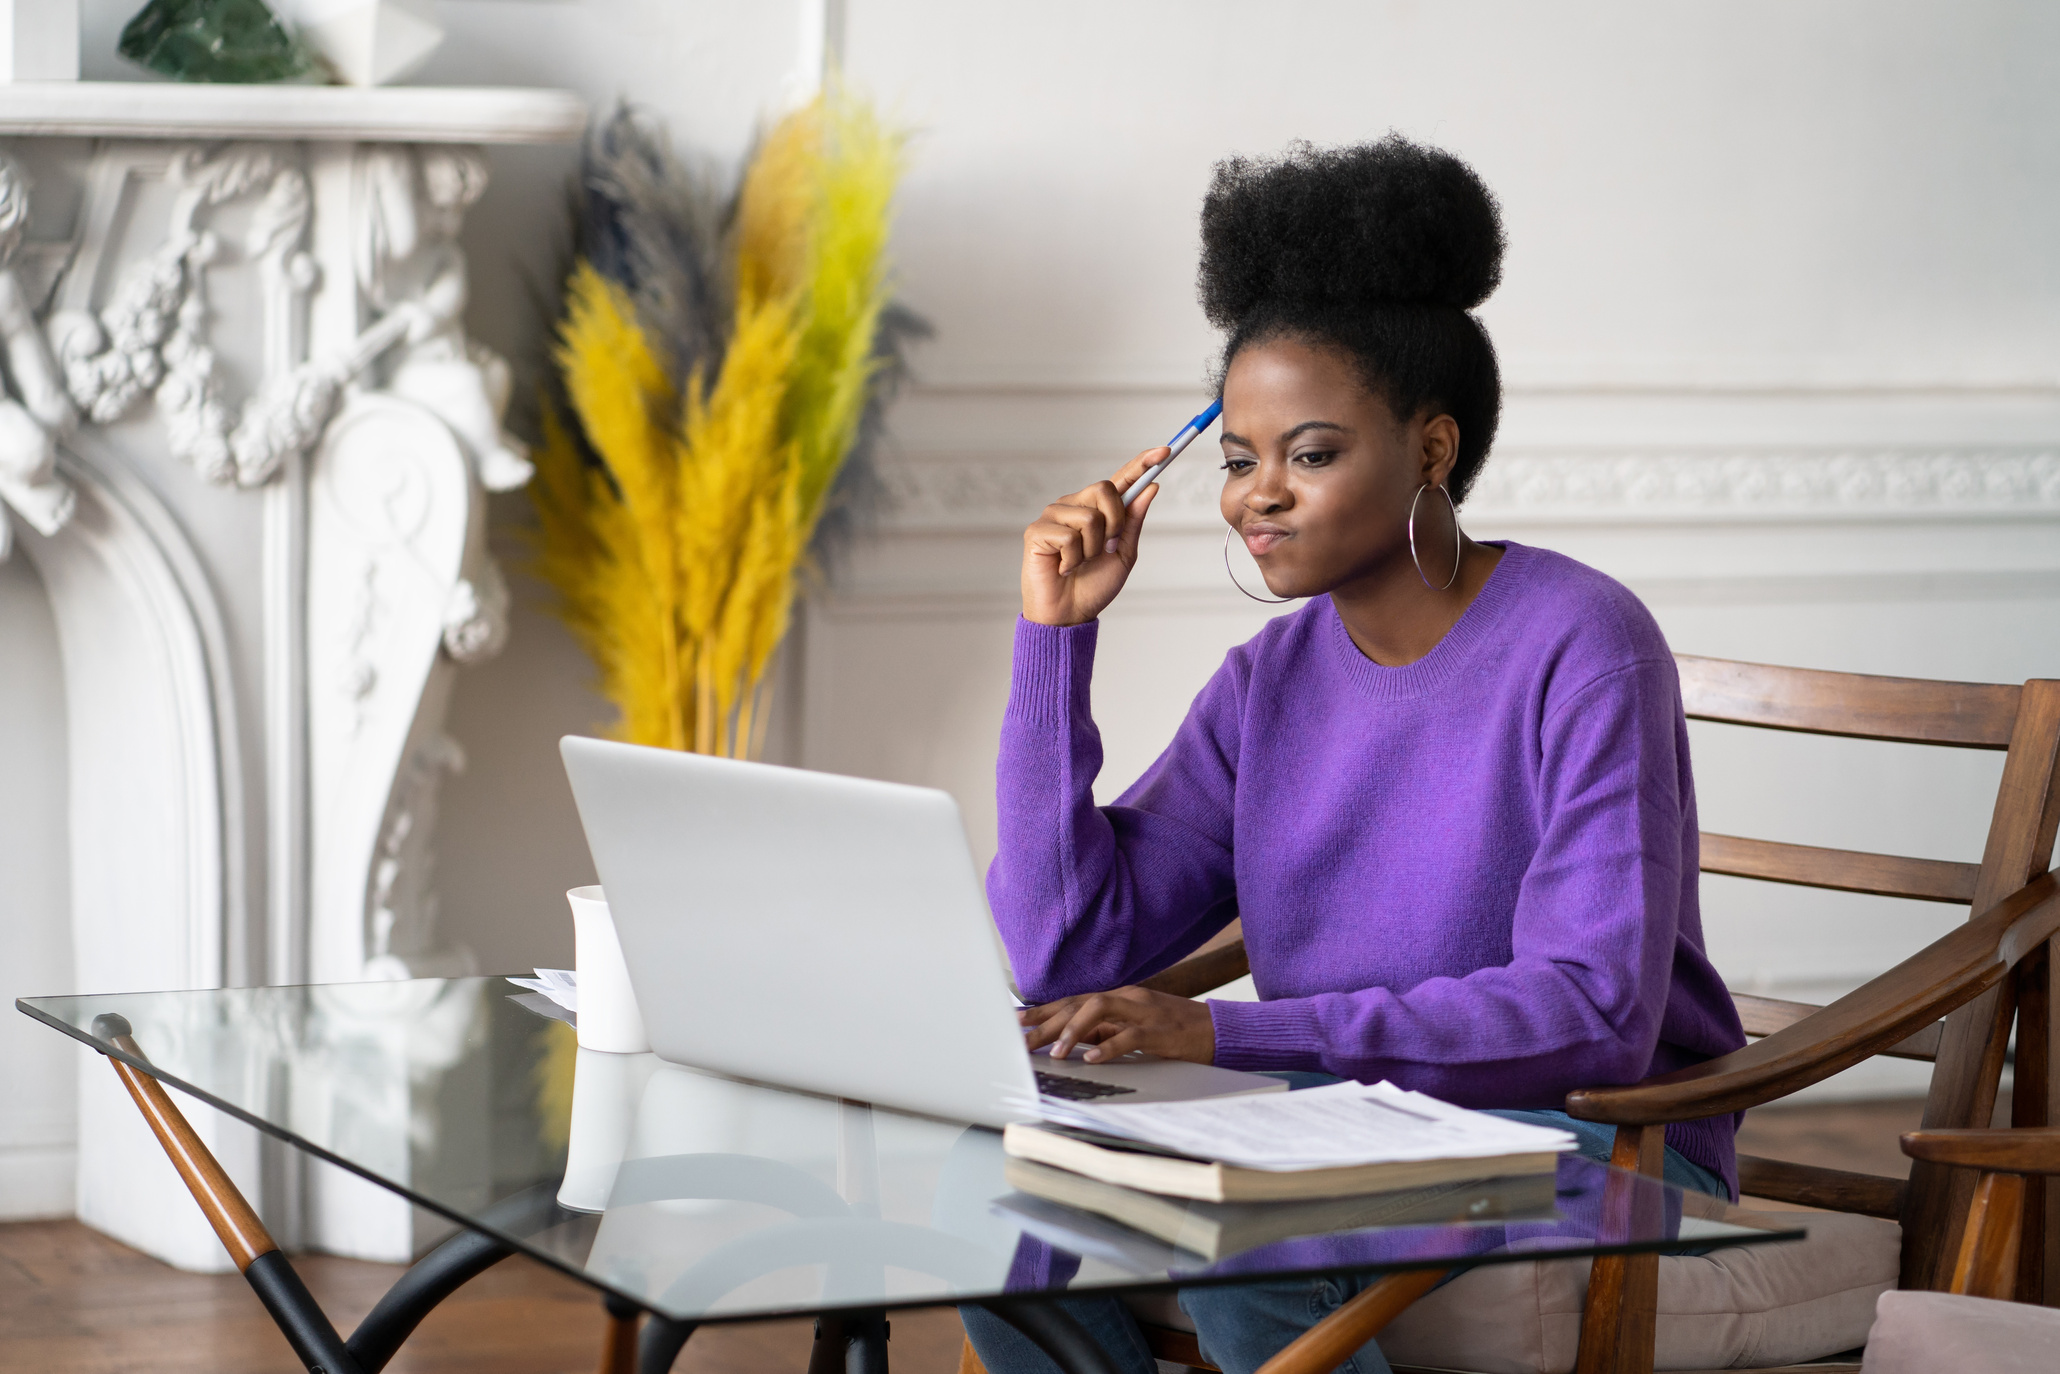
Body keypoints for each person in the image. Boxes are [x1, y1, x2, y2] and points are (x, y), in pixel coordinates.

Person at [959, 136, 1747, 1374]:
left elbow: (1589, 1013)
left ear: (1430, 452)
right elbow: (1065, 947)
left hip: (1597, 1133)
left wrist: (1223, 1040)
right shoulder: (1267, 682)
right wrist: (1053, 644)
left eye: (1308, 453)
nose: (1256, 495)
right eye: (1236, 458)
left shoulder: (1582, 643)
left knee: (1237, 1232)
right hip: (1337, 1118)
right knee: (981, 1192)